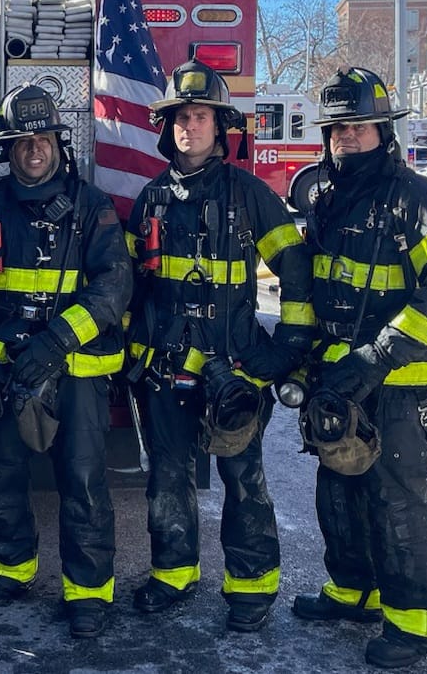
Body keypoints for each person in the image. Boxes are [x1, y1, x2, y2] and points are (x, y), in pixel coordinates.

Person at [123, 60, 315, 633]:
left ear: (219, 125)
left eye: (199, 115)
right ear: (168, 127)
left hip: (237, 368)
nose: (189, 126)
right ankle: (173, 575)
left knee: (242, 477)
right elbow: (133, 288)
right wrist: (136, 359)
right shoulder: (151, 199)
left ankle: (252, 587)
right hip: (166, 369)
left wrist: (284, 350)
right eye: (180, 117)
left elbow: (297, 274)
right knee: (168, 478)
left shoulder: (252, 196)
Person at [291, 67, 427, 669]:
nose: (347, 137)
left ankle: (414, 625)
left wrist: (376, 357)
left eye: (359, 127)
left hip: (398, 380)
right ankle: (352, 593)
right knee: (338, 489)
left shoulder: (416, 197)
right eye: (338, 128)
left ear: (383, 131)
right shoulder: (325, 195)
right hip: (338, 378)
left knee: (396, 501)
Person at [0, 83, 132, 639]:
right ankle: (10, 570)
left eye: (43, 139)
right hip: (5, 373)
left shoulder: (91, 207)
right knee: (0, 476)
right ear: (7, 149)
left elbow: (114, 286)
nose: (34, 150)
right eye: (23, 141)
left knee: (81, 480)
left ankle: (89, 592)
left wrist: (54, 342)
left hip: (75, 372)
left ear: (59, 143)